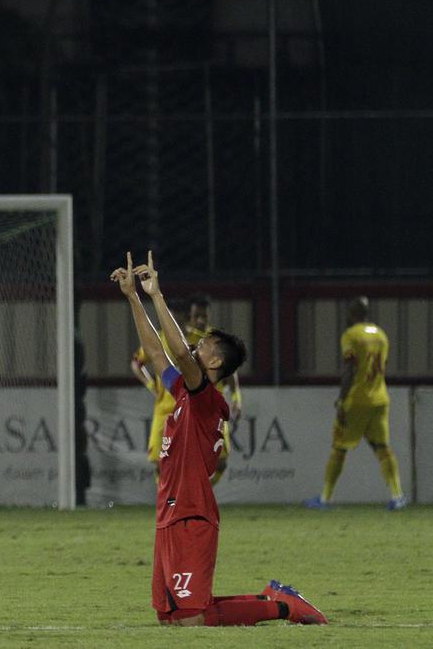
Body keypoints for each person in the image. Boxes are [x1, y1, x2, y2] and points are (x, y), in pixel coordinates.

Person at [113, 251, 325, 626]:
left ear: (213, 365)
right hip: (169, 513)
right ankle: (272, 597)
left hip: (192, 516)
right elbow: (157, 355)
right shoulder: (183, 392)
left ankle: (283, 606)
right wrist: (133, 298)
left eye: (206, 346)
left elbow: (177, 351)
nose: (198, 346)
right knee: (170, 618)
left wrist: (156, 295)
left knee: (192, 619)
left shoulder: (205, 398)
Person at [304, 296, 406, 510]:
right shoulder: (381, 335)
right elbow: (382, 365)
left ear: (351, 313)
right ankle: (398, 496)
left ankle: (325, 498)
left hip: (357, 400)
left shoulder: (351, 336)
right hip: (380, 398)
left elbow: (350, 369)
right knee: (382, 448)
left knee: (339, 448)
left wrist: (342, 400)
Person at [131, 295, 240, 484]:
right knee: (163, 463)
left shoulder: (205, 392)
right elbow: (153, 355)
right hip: (168, 407)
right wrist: (133, 296)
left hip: (194, 408)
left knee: (216, 462)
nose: (195, 350)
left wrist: (153, 295)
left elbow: (180, 354)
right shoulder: (179, 382)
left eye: (199, 349)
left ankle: (189, 495)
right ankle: (176, 498)